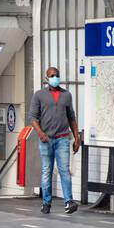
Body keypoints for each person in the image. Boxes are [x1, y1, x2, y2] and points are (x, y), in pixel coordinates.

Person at [28, 66, 81, 214]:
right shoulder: (39, 95)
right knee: (47, 171)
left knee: (64, 170)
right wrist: (40, 133)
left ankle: (69, 202)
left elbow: (72, 117)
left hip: (62, 138)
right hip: (46, 139)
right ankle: (46, 202)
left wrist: (77, 137)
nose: (55, 78)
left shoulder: (66, 95)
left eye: (56, 75)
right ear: (46, 78)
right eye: (51, 76)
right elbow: (32, 117)